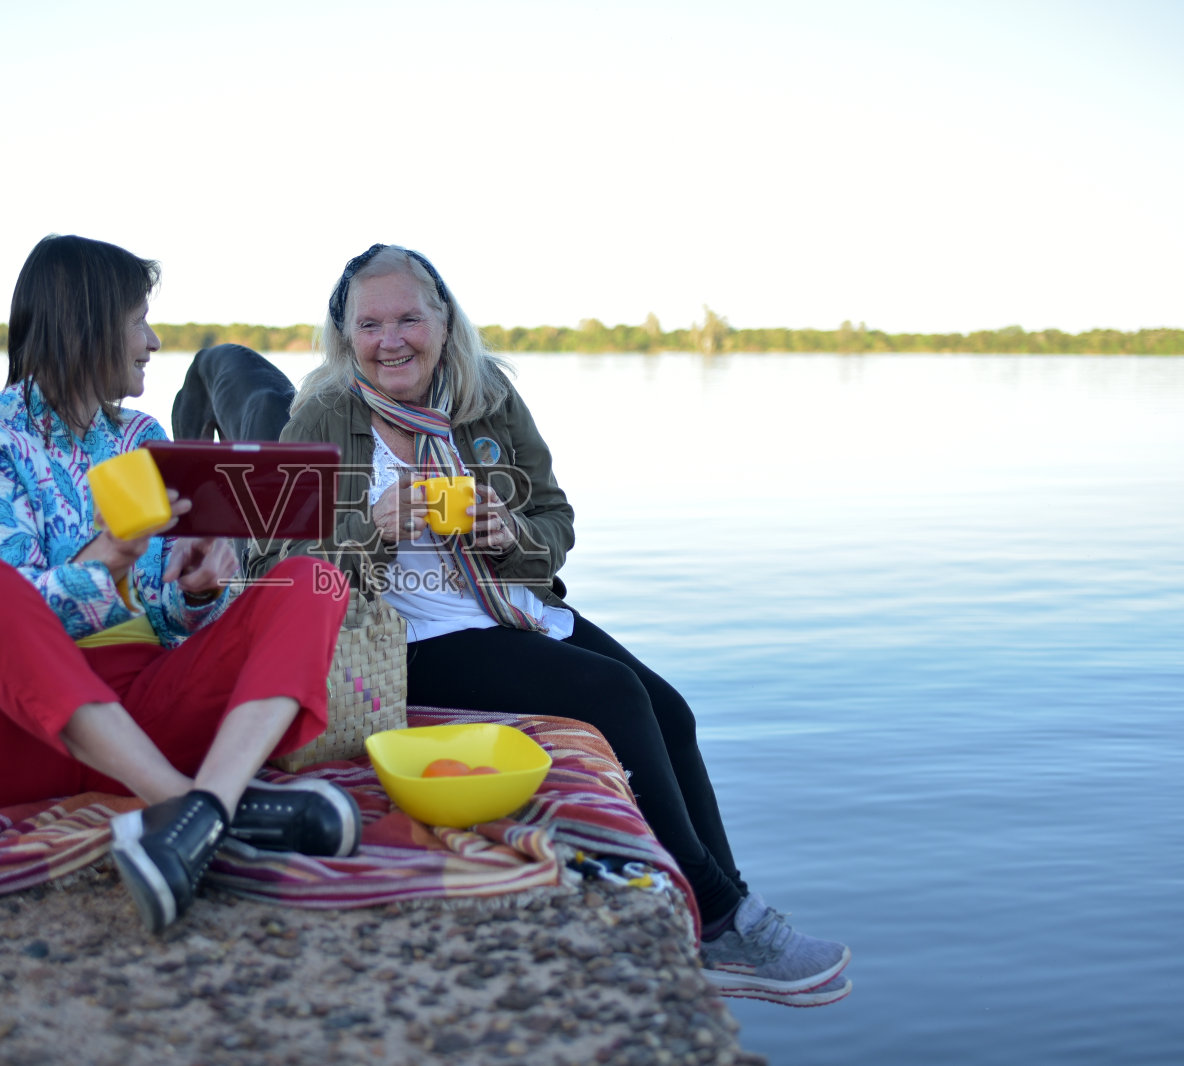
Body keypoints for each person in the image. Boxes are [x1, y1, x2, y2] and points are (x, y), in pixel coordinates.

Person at [247, 243, 851, 1004]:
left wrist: (510, 533)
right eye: (370, 324)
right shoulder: (324, 414)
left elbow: (554, 519)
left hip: (509, 605)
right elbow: (276, 562)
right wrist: (373, 529)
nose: (390, 340)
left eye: (409, 319)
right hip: (407, 639)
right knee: (610, 695)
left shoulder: (488, 396)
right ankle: (721, 917)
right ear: (345, 335)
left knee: (672, 711)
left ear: (444, 319)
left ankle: (732, 913)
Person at [0, 234, 360, 934]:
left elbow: (170, 619)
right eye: (139, 321)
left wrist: (198, 588)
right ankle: (188, 804)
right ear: (87, 325)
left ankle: (204, 809)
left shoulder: (144, 437)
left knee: (314, 580)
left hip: (143, 715)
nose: (153, 342)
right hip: (7, 737)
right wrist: (103, 563)